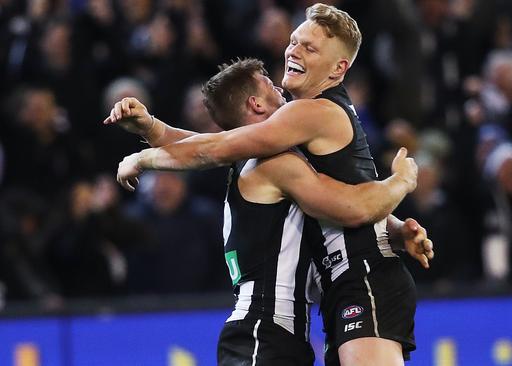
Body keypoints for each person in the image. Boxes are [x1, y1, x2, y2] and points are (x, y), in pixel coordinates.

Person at [105, 4, 431, 365]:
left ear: (339, 68)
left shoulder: (306, 118)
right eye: (294, 42)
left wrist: (150, 140)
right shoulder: (274, 158)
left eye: (309, 47)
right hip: (286, 320)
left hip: (353, 281)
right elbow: (215, 145)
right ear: (256, 106)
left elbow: (213, 145)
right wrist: (400, 187)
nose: (292, 51)